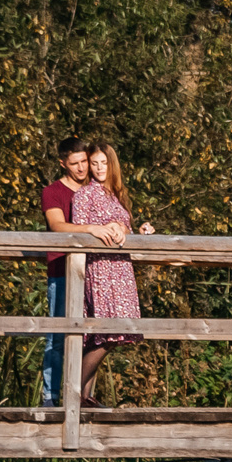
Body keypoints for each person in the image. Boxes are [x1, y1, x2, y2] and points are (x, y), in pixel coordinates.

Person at [36, 136, 126, 406]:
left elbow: (117, 220)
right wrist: (90, 229)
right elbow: (57, 226)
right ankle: (51, 398)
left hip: (94, 273)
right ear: (62, 163)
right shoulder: (53, 191)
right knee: (57, 335)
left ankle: (82, 397)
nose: (82, 168)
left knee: (94, 335)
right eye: (75, 163)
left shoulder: (96, 189)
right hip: (62, 270)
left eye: (84, 162)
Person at [69, 142, 153, 407]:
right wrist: (103, 227)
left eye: (103, 163)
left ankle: (84, 397)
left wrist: (138, 231)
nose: (98, 168)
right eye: (94, 163)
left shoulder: (116, 194)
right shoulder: (85, 195)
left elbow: (124, 229)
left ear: (112, 164)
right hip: (101, 269)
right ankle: (74, 393)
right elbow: (80, 228)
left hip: (121, 269)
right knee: (106, 333)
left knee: (114, 333)